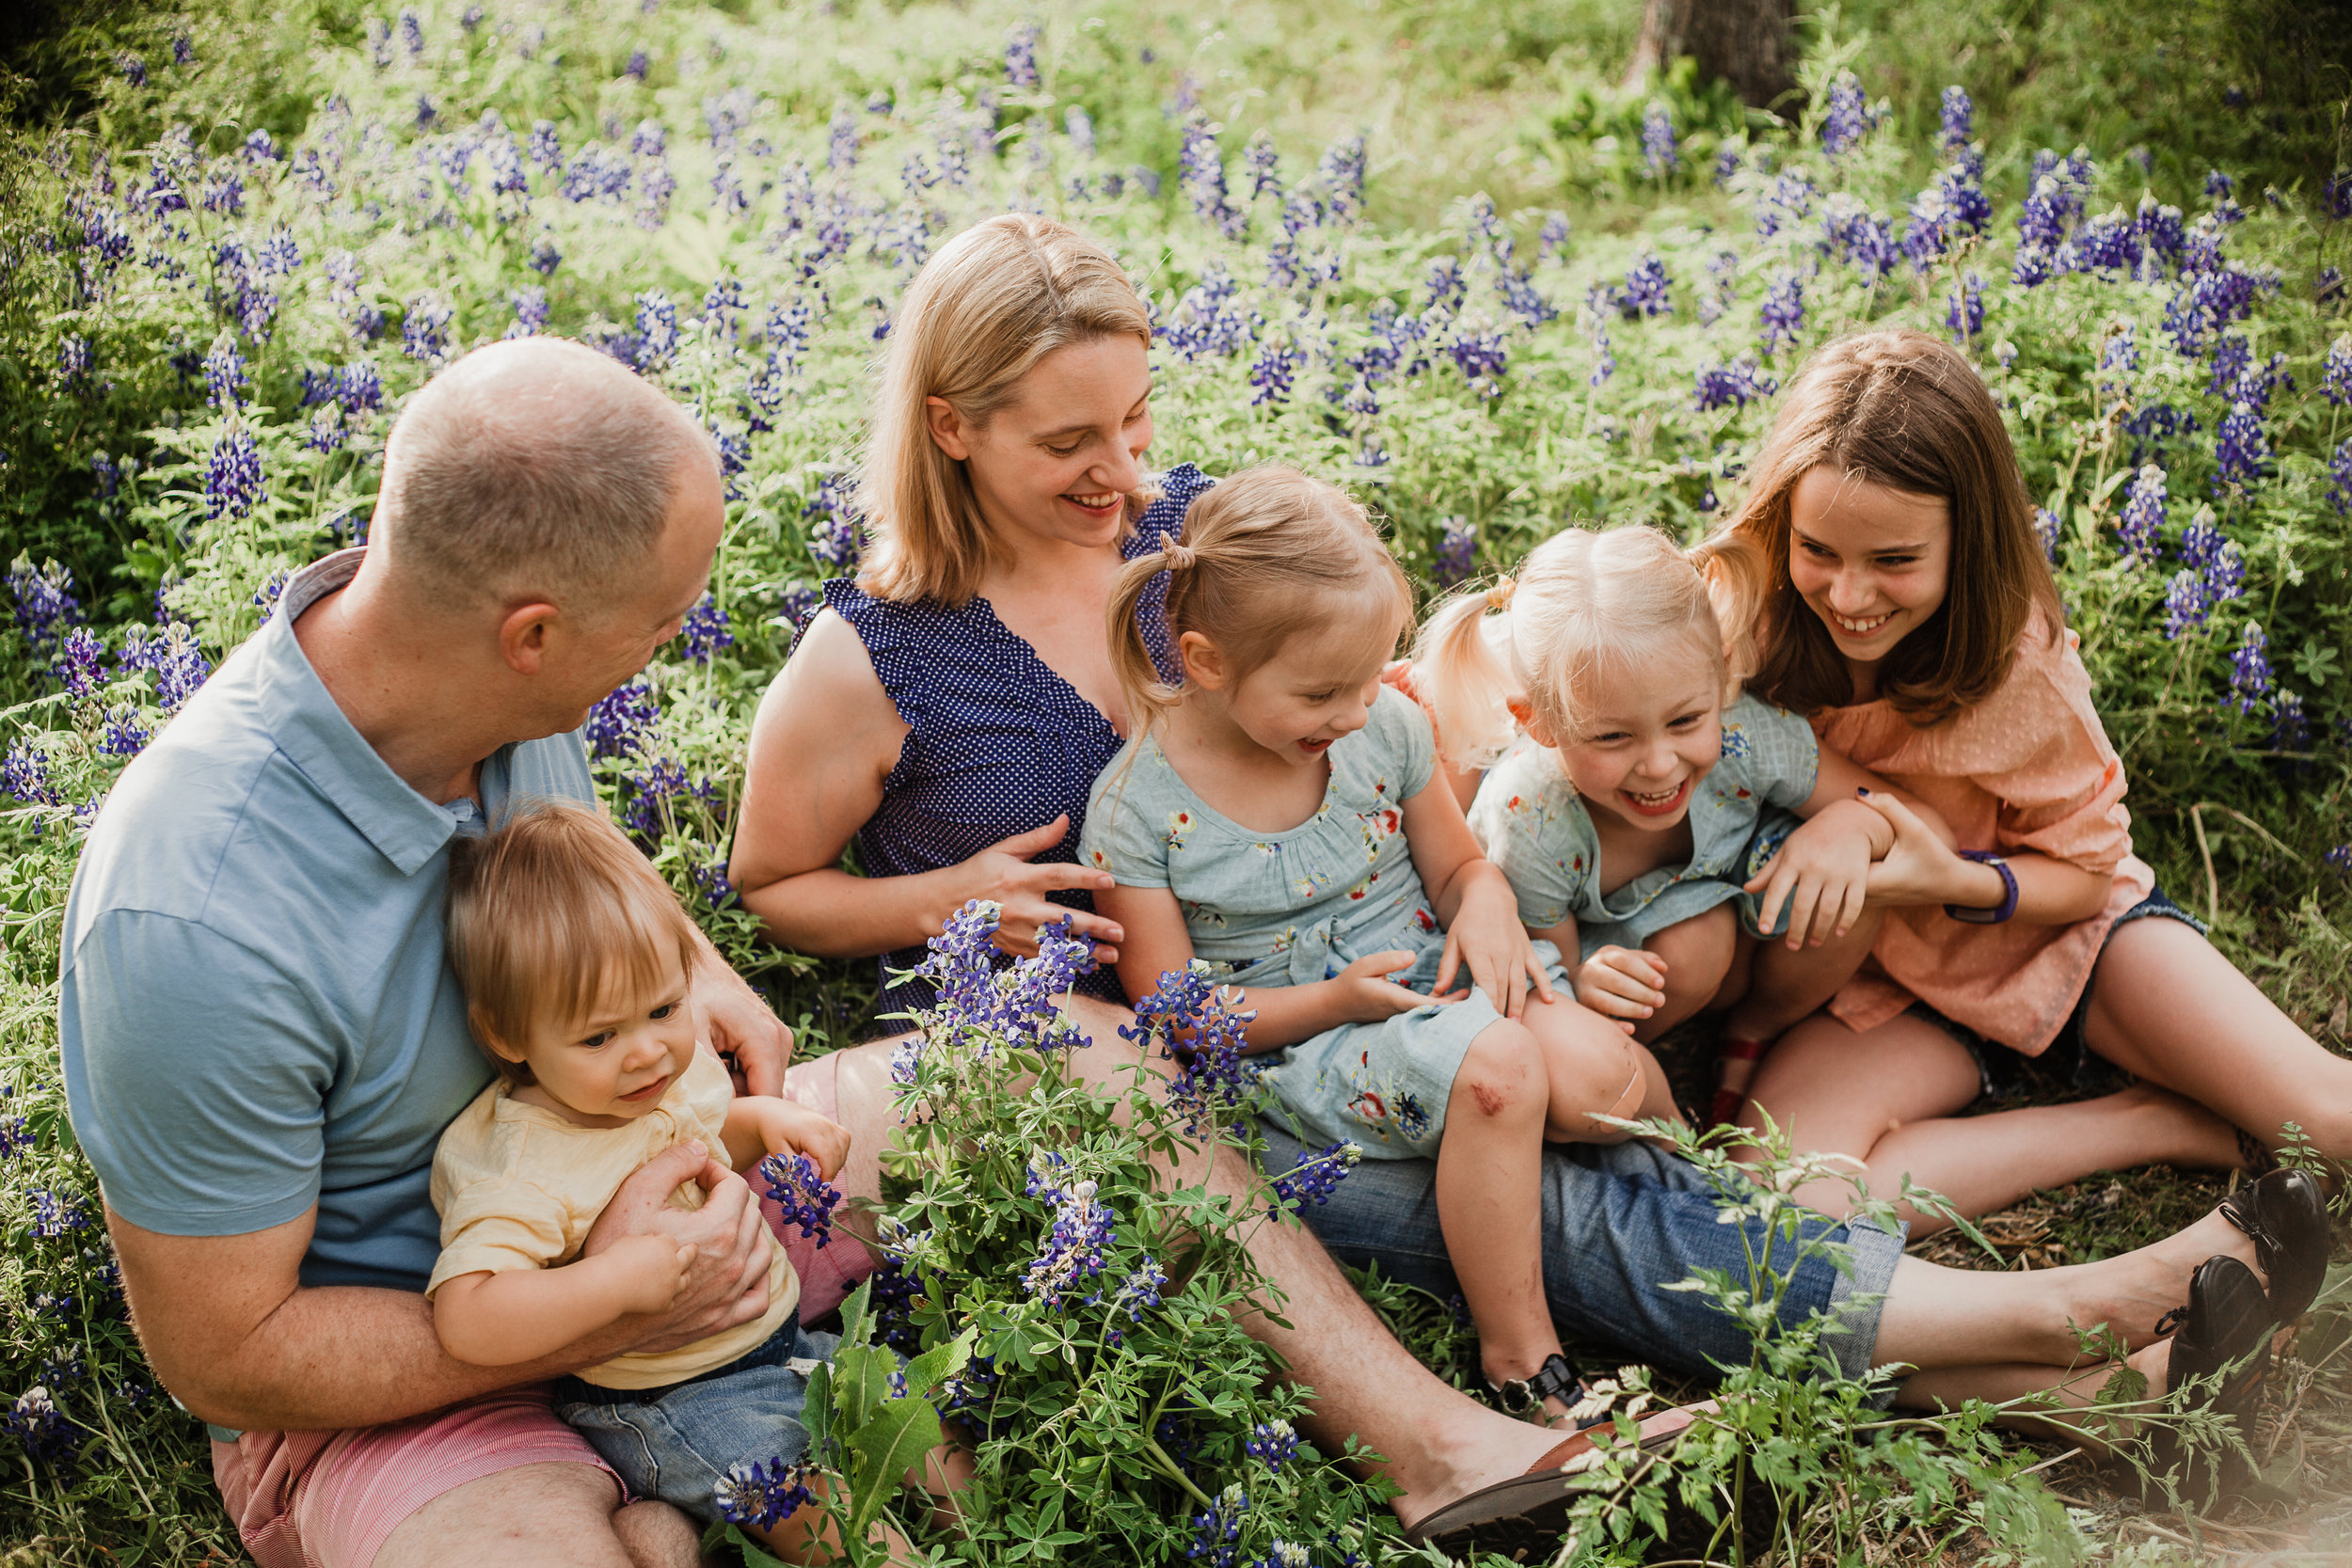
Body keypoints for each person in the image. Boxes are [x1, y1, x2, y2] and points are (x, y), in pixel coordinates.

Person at [731, 214, 2324, 1550]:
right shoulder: (872, 655)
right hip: (1098, 1079)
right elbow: (771, 885)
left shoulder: (1183, 556)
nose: (1124, 473)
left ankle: (2102, 1390)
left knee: (1550, 1149)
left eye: (1136, 426)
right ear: (951, 426)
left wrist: (1505, 840)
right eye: (1071, 443)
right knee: (1576, 1209)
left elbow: (1375, 703)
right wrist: (941, 905)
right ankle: (2072, 1322)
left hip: (1342, 1004)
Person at [59, 337, 807, 1568]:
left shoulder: (505, 700)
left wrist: (698, 972)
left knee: (1090, 1062)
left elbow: (587, 875)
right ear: (534, 631)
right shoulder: (189, 919)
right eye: (668, 617)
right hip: (393, 1370)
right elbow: (223, 1352)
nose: (680, 639)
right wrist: (595, 1302)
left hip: (634, 1163)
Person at [1692, 327, 2352, 1231]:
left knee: (2330, 1119)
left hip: (2068, 945)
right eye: (1820, 551)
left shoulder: (2015, 663)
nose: (1848, 596)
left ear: (1968, 539)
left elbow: (2086, 877)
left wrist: (1947, 877)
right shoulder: (1747, 623)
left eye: (1894, 561)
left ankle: (2155, 1079)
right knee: (1781, 1207)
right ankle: (2142, 1120)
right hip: (1888, 992)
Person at [1079, 464, 1668, 1424]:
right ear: (1207, 658)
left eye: (1368, 679)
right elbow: (1178, 1012)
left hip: (1435, 959)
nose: (1357, 710)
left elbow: (1456, 866)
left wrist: (1481, 896)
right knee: (1504, 1072)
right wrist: (1333, 1000)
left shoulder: (1380, 723)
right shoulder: (1135, 806)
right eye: (1322, 692)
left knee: (1601, 1079)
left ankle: (1701, 1174)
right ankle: (1522, 1355)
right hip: (1309, 1035)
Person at [430, 800, 953, 1560]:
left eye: (664, 1007)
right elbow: (467, 1314)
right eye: (600, 1035)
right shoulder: (523, 1162)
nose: (646, 1052)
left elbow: (711, 1137)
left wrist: (764, 1120)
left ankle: (994, 1534)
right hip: (675, 1400)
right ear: (509, 1036)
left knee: (930, 1425)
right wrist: (613, 1282)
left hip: (782, 1340)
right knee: (823, 1510)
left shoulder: (658, 1078)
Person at [1416, 522, 1941, 1127]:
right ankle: (1645, 1073)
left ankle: (1756, 1030)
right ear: (1540, 727)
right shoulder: (1529, 818)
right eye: (1612, 736)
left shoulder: (1749, 734)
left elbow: (1925, 831)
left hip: (1751, 938)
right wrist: (1586, 983)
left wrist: (1856, 824)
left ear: (1720, 680)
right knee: (1693, 947)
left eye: (1687, 720)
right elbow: (1547, 990)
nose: (1660, 763)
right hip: (1641, 968)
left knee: (1862, 869)